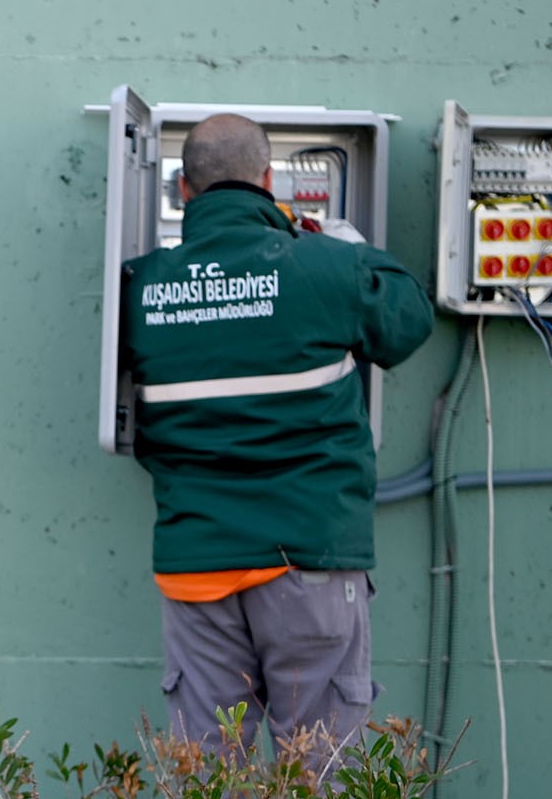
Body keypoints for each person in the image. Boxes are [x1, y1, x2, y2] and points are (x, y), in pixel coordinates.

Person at [121, 114, 433, 762]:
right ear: (268, 181)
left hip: (197, 567)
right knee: (319, 781)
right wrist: (348, 247)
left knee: (207, 793)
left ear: (184, 189)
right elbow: (407, 320)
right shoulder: (323, 264)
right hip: (309, 557)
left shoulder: (143, 285)